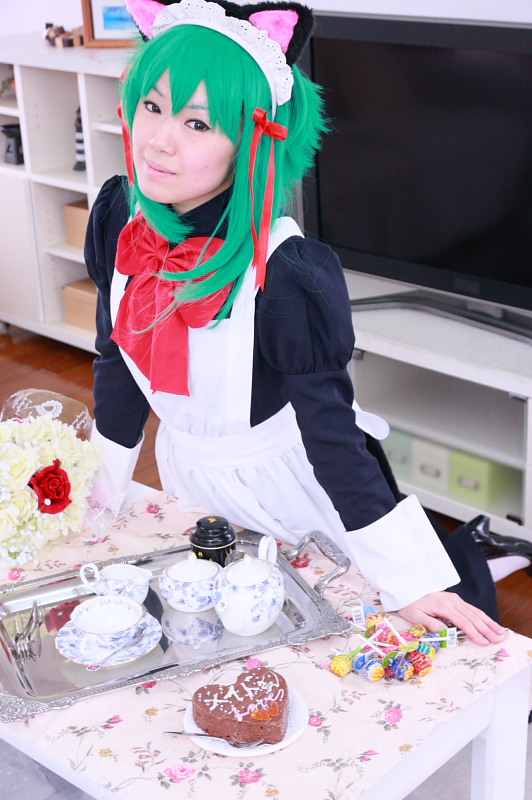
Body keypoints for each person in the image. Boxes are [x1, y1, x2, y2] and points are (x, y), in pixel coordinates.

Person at [86, 0, 508, 647]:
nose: (160, 140)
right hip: (192, 473)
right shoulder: (120, 216)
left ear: (252, 141)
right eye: (152, 105)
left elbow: (329, 435)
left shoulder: (287, 272)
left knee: (391, 621)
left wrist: (409, 582)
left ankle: (475, 557)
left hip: (301, 484)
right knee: (228, 634)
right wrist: (98, 499)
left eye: (197, 122)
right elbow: (116, 365)